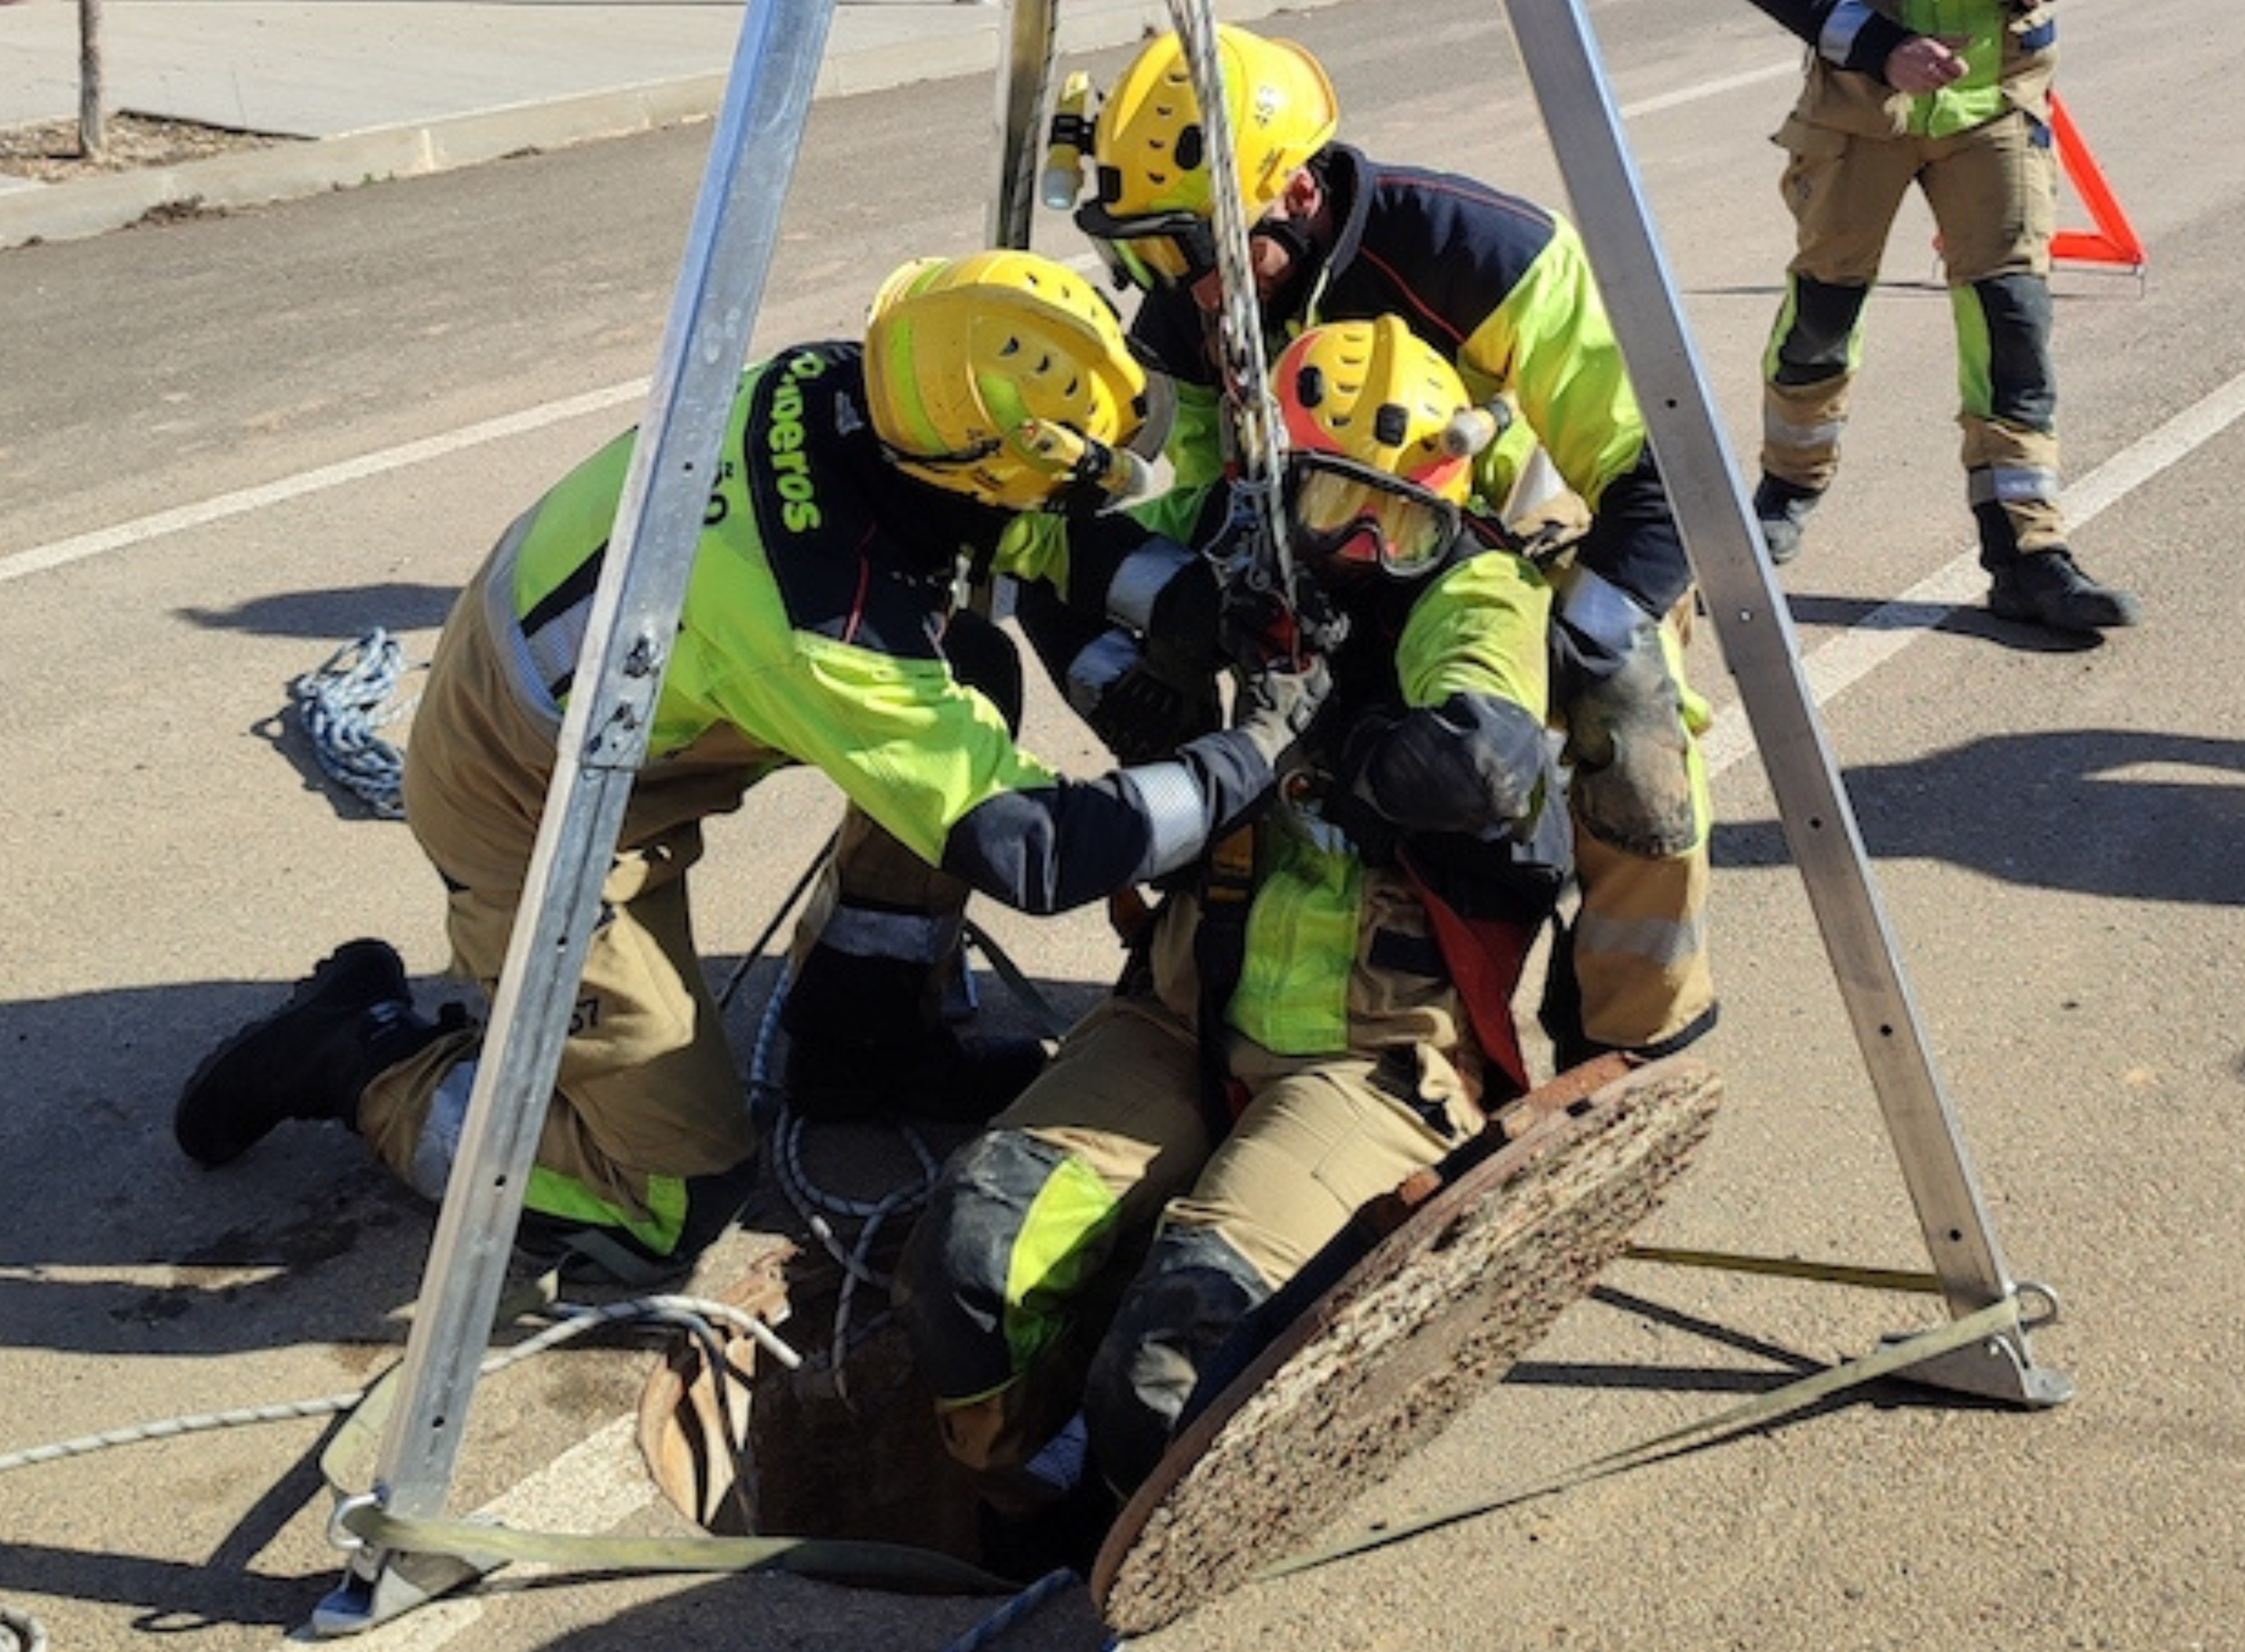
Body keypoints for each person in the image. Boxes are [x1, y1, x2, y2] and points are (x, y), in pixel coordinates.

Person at [173, 250, 1329, 1285]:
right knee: (663, 1202)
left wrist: (1201, 601)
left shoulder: (869, 386)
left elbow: (1025, 523)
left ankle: (857, 1038)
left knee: (962, 670)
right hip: (525, 786)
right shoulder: (821, 617)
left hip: (609, 672)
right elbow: (1030, 848)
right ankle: (363, 1054)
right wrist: (1247, 754)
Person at [896, 316, 1569, 1552]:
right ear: (1272, 489)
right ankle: (1014, 1507)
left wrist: (1316, 744)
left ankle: (1138, 1540)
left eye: (1402, 524)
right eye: (1331, 508)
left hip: (1370, 1058)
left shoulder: (1472, 588)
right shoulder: (1231, 534)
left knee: (1179, 1359)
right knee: (968, 1254)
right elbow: (1046, 536)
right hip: (1179, 1006)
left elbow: (1482, 754)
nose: (1364, 551)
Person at [1015, 22, 1718, 1068]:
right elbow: (1217, 481)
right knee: (1155, 620)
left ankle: (1627, 1024)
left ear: (1297, 196)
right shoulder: (1198, 305)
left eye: (1197, 247)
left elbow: (1655, 464)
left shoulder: (1474, 253)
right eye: (1155, 250)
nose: (1187, 288)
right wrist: (1167, 659)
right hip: (1317, 535)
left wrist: (1579, 627)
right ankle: (1200, 943)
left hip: (1503, 545)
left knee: (1632, 712)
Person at [1743, 0, 2141, 632]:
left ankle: (2027, 551)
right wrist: (1879, 47)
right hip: (1860, 106)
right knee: (1823, 316)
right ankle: (1787, 488)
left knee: (2013, 322)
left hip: (1995, 97)